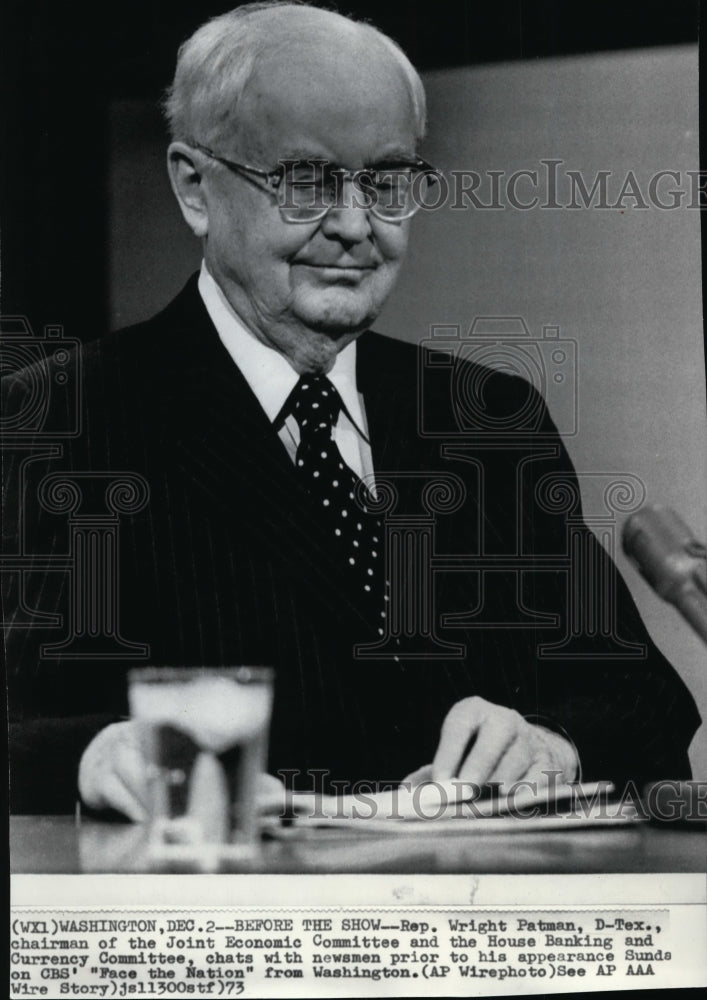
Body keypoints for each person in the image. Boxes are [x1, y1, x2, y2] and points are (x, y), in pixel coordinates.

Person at [4, 1, 699, 819]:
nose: (354, 225)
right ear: (194, 186)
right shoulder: (57, 418)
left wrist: (552, 743)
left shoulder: (487, 417)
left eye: (388, 181)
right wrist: (93, 754)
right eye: (305, 182)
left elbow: (646, 703)